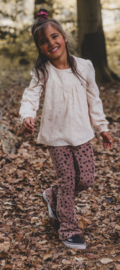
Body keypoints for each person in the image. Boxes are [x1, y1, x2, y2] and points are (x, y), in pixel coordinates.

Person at [19, 8, 113, 250]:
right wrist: (27, 115)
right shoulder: (42, 72)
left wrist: (102, 127)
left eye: (54, 37)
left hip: (82, 134)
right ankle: (69, 229)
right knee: (68, 181)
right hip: (56, 136)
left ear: (64, 37)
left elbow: (94, 99)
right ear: (40, 48)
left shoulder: (84, 67)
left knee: (87, 180)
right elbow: (31, 96)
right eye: (43, 41)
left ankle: (53, 195)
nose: (51, 43)